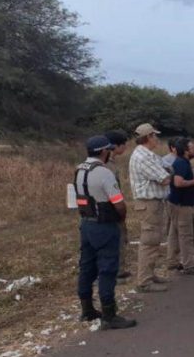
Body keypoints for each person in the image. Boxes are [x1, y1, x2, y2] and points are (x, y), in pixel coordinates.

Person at [74, 135, 136, 330]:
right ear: (103, 151)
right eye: (108, 149)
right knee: (108, 268)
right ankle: (109, 315)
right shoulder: (104, 173)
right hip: (104, 225)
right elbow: (118, 203)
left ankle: (87, 309)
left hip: (86, 224)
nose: (110, 152)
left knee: (86, 266)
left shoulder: (79, 170)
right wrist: (122, 218)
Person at [128, 123, 172, 293]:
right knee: (149, 241)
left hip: (154, 203)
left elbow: (167, 168)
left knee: (154, 239)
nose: (157, 139)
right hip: (148, 203)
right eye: (155, 136)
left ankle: (149, 274)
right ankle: (144, 281)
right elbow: (165, 178)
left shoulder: (148, 154)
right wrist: (168, 173)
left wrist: (168, 171)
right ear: (148, 137)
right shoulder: (142, 157)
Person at [166, 138, 194, 276]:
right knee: (185, 235)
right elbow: (178, 183)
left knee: (174, 233)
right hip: (182, 205)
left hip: (176, 202)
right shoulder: (182, 163)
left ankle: (172, 261)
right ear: (186, 150)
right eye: (192, 148)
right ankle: (189, 265)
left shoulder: (181, 162)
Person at [104, 130, 132, 280]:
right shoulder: (108, 165)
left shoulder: (110, 163)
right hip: (112, 207)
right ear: (116, 146)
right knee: (117, 237)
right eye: (124, 145)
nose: (125, 148)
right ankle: (117, 271)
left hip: (110, 206)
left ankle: (118, 269)